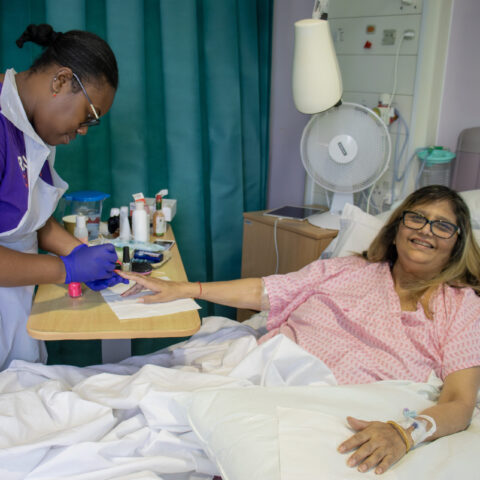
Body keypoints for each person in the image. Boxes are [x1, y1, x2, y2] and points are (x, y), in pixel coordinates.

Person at [118, 185, 480, 475]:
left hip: (340, 408)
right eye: (416, 218)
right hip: (268, 369)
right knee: (139, 409)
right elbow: (266, 291)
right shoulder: (347, 269)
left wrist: (405, 433)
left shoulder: (462, 306)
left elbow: (460, 403)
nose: (425, 231)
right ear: (398, 226)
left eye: (442, 225)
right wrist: (185, 289)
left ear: (457, 241)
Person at [0, 24, 127, 370]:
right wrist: (67, 268)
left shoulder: (32, 128)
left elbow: (31, 221)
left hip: (15, 310)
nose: (83, 130)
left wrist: (80, 253)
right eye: (88, 116)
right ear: (60, 81)